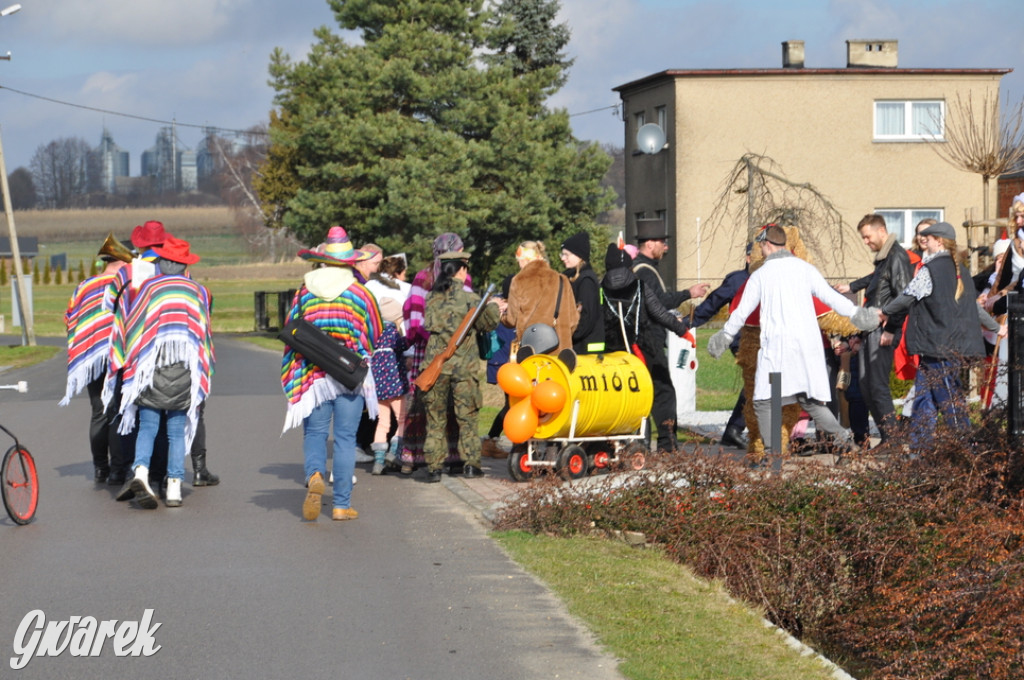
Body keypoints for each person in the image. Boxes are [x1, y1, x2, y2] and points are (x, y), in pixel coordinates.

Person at [708, 224, 880, 458]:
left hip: (777, 350)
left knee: (763, 401)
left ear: (767, 245)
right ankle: (846, 442)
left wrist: (725, 336)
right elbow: (831, 298)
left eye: (761, 245)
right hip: (807, 350)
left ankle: (772, 453)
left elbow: (741, 312)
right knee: (809, 401)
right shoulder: (805, 270)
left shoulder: (761, 275)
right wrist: (858, 314)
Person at [105, 236, 214, 509]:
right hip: (184, 368)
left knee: (148, 426)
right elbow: (203, 335)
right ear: (185, 263)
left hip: (150, 368)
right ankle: (175, 487)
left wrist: (128, 360)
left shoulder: (150, 287)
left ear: (163, 262)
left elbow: (133, 325)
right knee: (176, 430)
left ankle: (141, 473)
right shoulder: (197, 291)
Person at [281, 226, 382, 521]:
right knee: (345, 438)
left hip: (312, 373)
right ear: (349, 261)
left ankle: (314, 475)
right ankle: (340, 505)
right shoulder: (359, 293)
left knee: (314, 432)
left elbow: (292, 328)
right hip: (348, 372)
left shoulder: (304, 291)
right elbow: (373, 332)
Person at [879, 221, 993, 452]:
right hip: (948, 345)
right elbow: (973, 308)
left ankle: (967, 449)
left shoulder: (931, 269)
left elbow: (907, 297)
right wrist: (996, 327)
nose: (924, 241)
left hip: (937, 345)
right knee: (925, 397)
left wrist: (884, 311)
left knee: (948, 398)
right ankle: (921, 449)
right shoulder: (960, 269)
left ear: (938, 241)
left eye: (928, 237)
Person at [420, 250, 501, 482]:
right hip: (464, 369)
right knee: (467, 419)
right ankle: (471, 465)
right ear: (463, 270)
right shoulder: (472, 300)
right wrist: (494, 306)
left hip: (435, 367)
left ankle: (434, 467)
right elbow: (489, 323)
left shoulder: (431, 298)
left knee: (435, 420)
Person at [631, 219, 709, 452]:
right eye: (662, 242)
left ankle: (642, 442)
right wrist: (688, 293)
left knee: (643, 393)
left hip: (638, 339)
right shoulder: (646, 271)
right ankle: (667, 445)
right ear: (650, 243)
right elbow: (658, 303)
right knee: (663, 393)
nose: (666, 247)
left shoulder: (635, 268)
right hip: (648, 340)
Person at [835, 214, 913, 444]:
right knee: (867, 385)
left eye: (868, 237)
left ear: (882, 231)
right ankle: (889, 437)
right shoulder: (885, 259)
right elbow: (875, 282)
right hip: (872, 330)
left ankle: (893, 440)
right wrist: (851, 286)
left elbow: (904, 296)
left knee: (876, 386)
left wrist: (892, 329)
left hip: (883, 331)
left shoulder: (897, 256)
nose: (866, 242)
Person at [401, 233, 474, 474]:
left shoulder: (424, 278)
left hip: (429, 348)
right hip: (451, 349)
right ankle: (451, 457)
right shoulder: (436, 278)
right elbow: (468, 316)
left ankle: (423, 457)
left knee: (431, 403)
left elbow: (413, 318)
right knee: (445, 402)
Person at [60, 238, 130, 484]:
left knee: (98, 412)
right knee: (117, 411)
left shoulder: (84, 286)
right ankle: (118, 469)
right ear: (122, 260)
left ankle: (100, 467)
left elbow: (69, 317)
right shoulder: (125, 283)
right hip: (117, 354)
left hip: (89, 357)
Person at [686, 244, 751, 448]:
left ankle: (739, 430)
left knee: (761, 383)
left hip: (766, 339)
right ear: (749, 258)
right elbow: (715, 301)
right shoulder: (738, 280)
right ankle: (735, 429)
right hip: (742, 339)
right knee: (756, 380)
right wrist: (689, 322)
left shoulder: (771, 277)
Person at [366, 254, 412, 469]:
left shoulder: (375, 337)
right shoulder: (395, 335)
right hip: (397, 385)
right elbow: (406, 345)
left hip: (379, 388)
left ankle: (378, 461)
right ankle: (396, 451)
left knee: (382, 423)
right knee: (402, 419)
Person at [503, 240, 579, 357]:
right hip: (560, 354)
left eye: (519, 261)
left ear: (524, 259)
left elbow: (512, 320)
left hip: (531, 352)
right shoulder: (562, 280)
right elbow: (573, 321)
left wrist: (500, 315)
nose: (519, 265)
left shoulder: (518, 281)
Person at [559, 232, 605, 354]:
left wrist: (569, 336)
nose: (563, 258)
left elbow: (587, 317)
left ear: (579, 256)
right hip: (579, 345)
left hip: (587, 349)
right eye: (562, 254)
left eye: (566, 254)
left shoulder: (586, 281)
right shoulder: (570, 277)